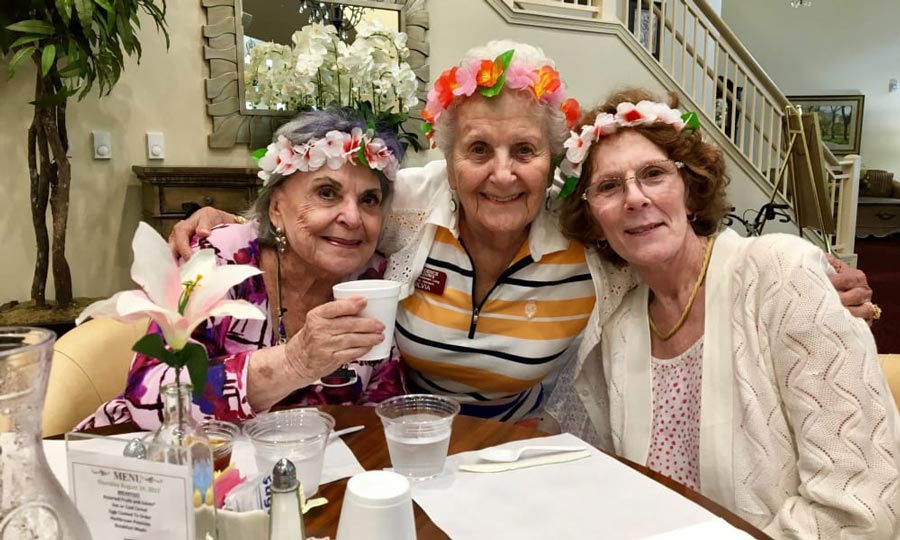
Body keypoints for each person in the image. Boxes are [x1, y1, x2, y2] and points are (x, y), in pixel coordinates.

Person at [169, 41, 875, 425]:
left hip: (532, 451)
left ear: (554, 163)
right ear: (448, 160)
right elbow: (327, 206)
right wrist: (227, 223)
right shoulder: (411, 207)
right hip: (414, 442)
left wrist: (806, 274)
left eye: (524, 152)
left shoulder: (587, 232)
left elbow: (688, 244)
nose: (500, 175)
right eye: (478, 150)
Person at [549, 88, 900, 538]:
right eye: (609, 187)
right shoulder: (618, 330)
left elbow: (859, 508)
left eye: (654, 174)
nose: (634, 198)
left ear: (691, 192)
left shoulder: (780, 275)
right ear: (595, 219)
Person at [78, 108, 406, 430]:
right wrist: (293, 362)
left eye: (369, 200)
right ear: (276, 208)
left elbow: (383, 404)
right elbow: (149, 395)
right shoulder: (216, 259)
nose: (353, 217)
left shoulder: (374, 280)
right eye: (326, 192)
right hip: (155, 460)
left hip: (300, 472)